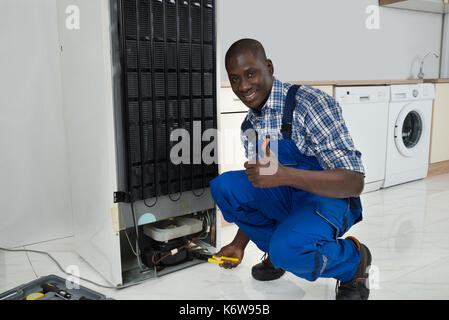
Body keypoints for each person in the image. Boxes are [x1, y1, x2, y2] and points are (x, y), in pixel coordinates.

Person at [209, 39, 372, 300]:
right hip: (286, 196)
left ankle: (353, 262)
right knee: (224, 187)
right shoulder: (249, 126)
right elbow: (262, 186)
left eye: (250, 74)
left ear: (269, 67)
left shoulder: (309, 103)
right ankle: (279, 250)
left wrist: (286, 175)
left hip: (327, 201)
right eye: (235, 78)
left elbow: (354, 182)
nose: (243, 86)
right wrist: (239, 245)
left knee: (290, 250)